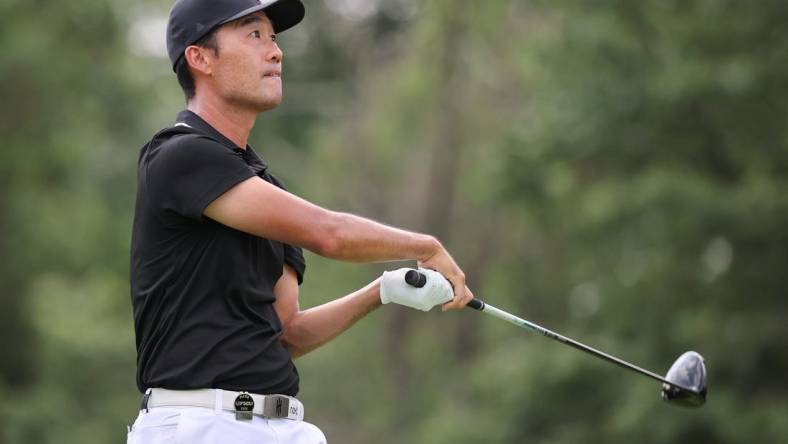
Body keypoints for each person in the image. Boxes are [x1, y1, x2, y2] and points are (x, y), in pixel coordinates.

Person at [127, 0, 473, 442]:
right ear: (200, 58)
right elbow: (330, 234)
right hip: (199, 425)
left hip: (282, 426)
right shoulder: (179, 154)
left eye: (273, 38)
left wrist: (381, 291)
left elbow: (287, 332)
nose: (275, 52)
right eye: (254, 35)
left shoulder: (266, 187)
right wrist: (425, 246)